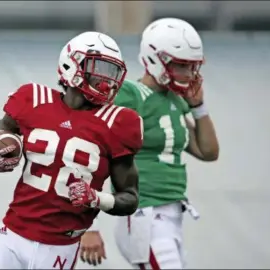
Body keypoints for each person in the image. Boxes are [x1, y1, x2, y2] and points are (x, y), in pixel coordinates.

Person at [0, 31, 144, 269]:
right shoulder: (33, 99)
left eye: (111, 72)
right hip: (11, 236)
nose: (107, 80)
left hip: (61, 246)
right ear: (72, 64)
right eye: (98, 68)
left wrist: (96, 198)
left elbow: (130, 198)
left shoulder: (118, 122)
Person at [79, 18, 220, 269]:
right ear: (155, 59)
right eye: (181, 65)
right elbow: (89, 150)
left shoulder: (176, 101)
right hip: (143, 213)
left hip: (172, 216)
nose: (188, 74)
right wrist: (90, 225)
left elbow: (208, 151)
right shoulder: (131, 95)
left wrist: (199, 107)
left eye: (191, 67)